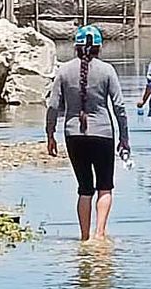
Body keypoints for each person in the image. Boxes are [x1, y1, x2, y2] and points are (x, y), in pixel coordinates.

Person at [46, 25, 131, 242]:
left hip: (73, 134)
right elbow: (119, 107)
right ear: (99, 48)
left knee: (84, 188)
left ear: (76, 47)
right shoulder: (107, 70)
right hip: (103, 134)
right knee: (105, 186)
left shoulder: (64, 71)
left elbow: (53, 106)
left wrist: (50, 134)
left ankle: (84, 237)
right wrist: (124, 138)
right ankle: (100, 234)